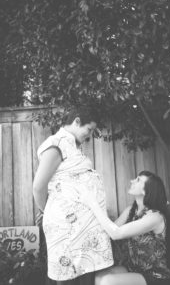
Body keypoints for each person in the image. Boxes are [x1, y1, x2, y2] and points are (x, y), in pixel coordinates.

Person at [33, 106, 114, 285]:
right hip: (67, 229)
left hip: (82, 230)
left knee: (82, 277)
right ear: (77, 121)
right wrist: (46, 211)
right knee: (67, 276)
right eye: (89, 129)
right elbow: (38, 187)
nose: (90, 134)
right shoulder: (57, 144)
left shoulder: (72, 146)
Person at [79, 171, 170, 285]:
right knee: (100, 276)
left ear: (146, 190)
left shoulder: (155, 216)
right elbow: (109, 232)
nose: (131, 181)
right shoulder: (130, 211)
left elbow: (116, 233)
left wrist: (92, 203)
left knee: (107, 282)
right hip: (133, 268)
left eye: (138, 180)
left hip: (155, 275)